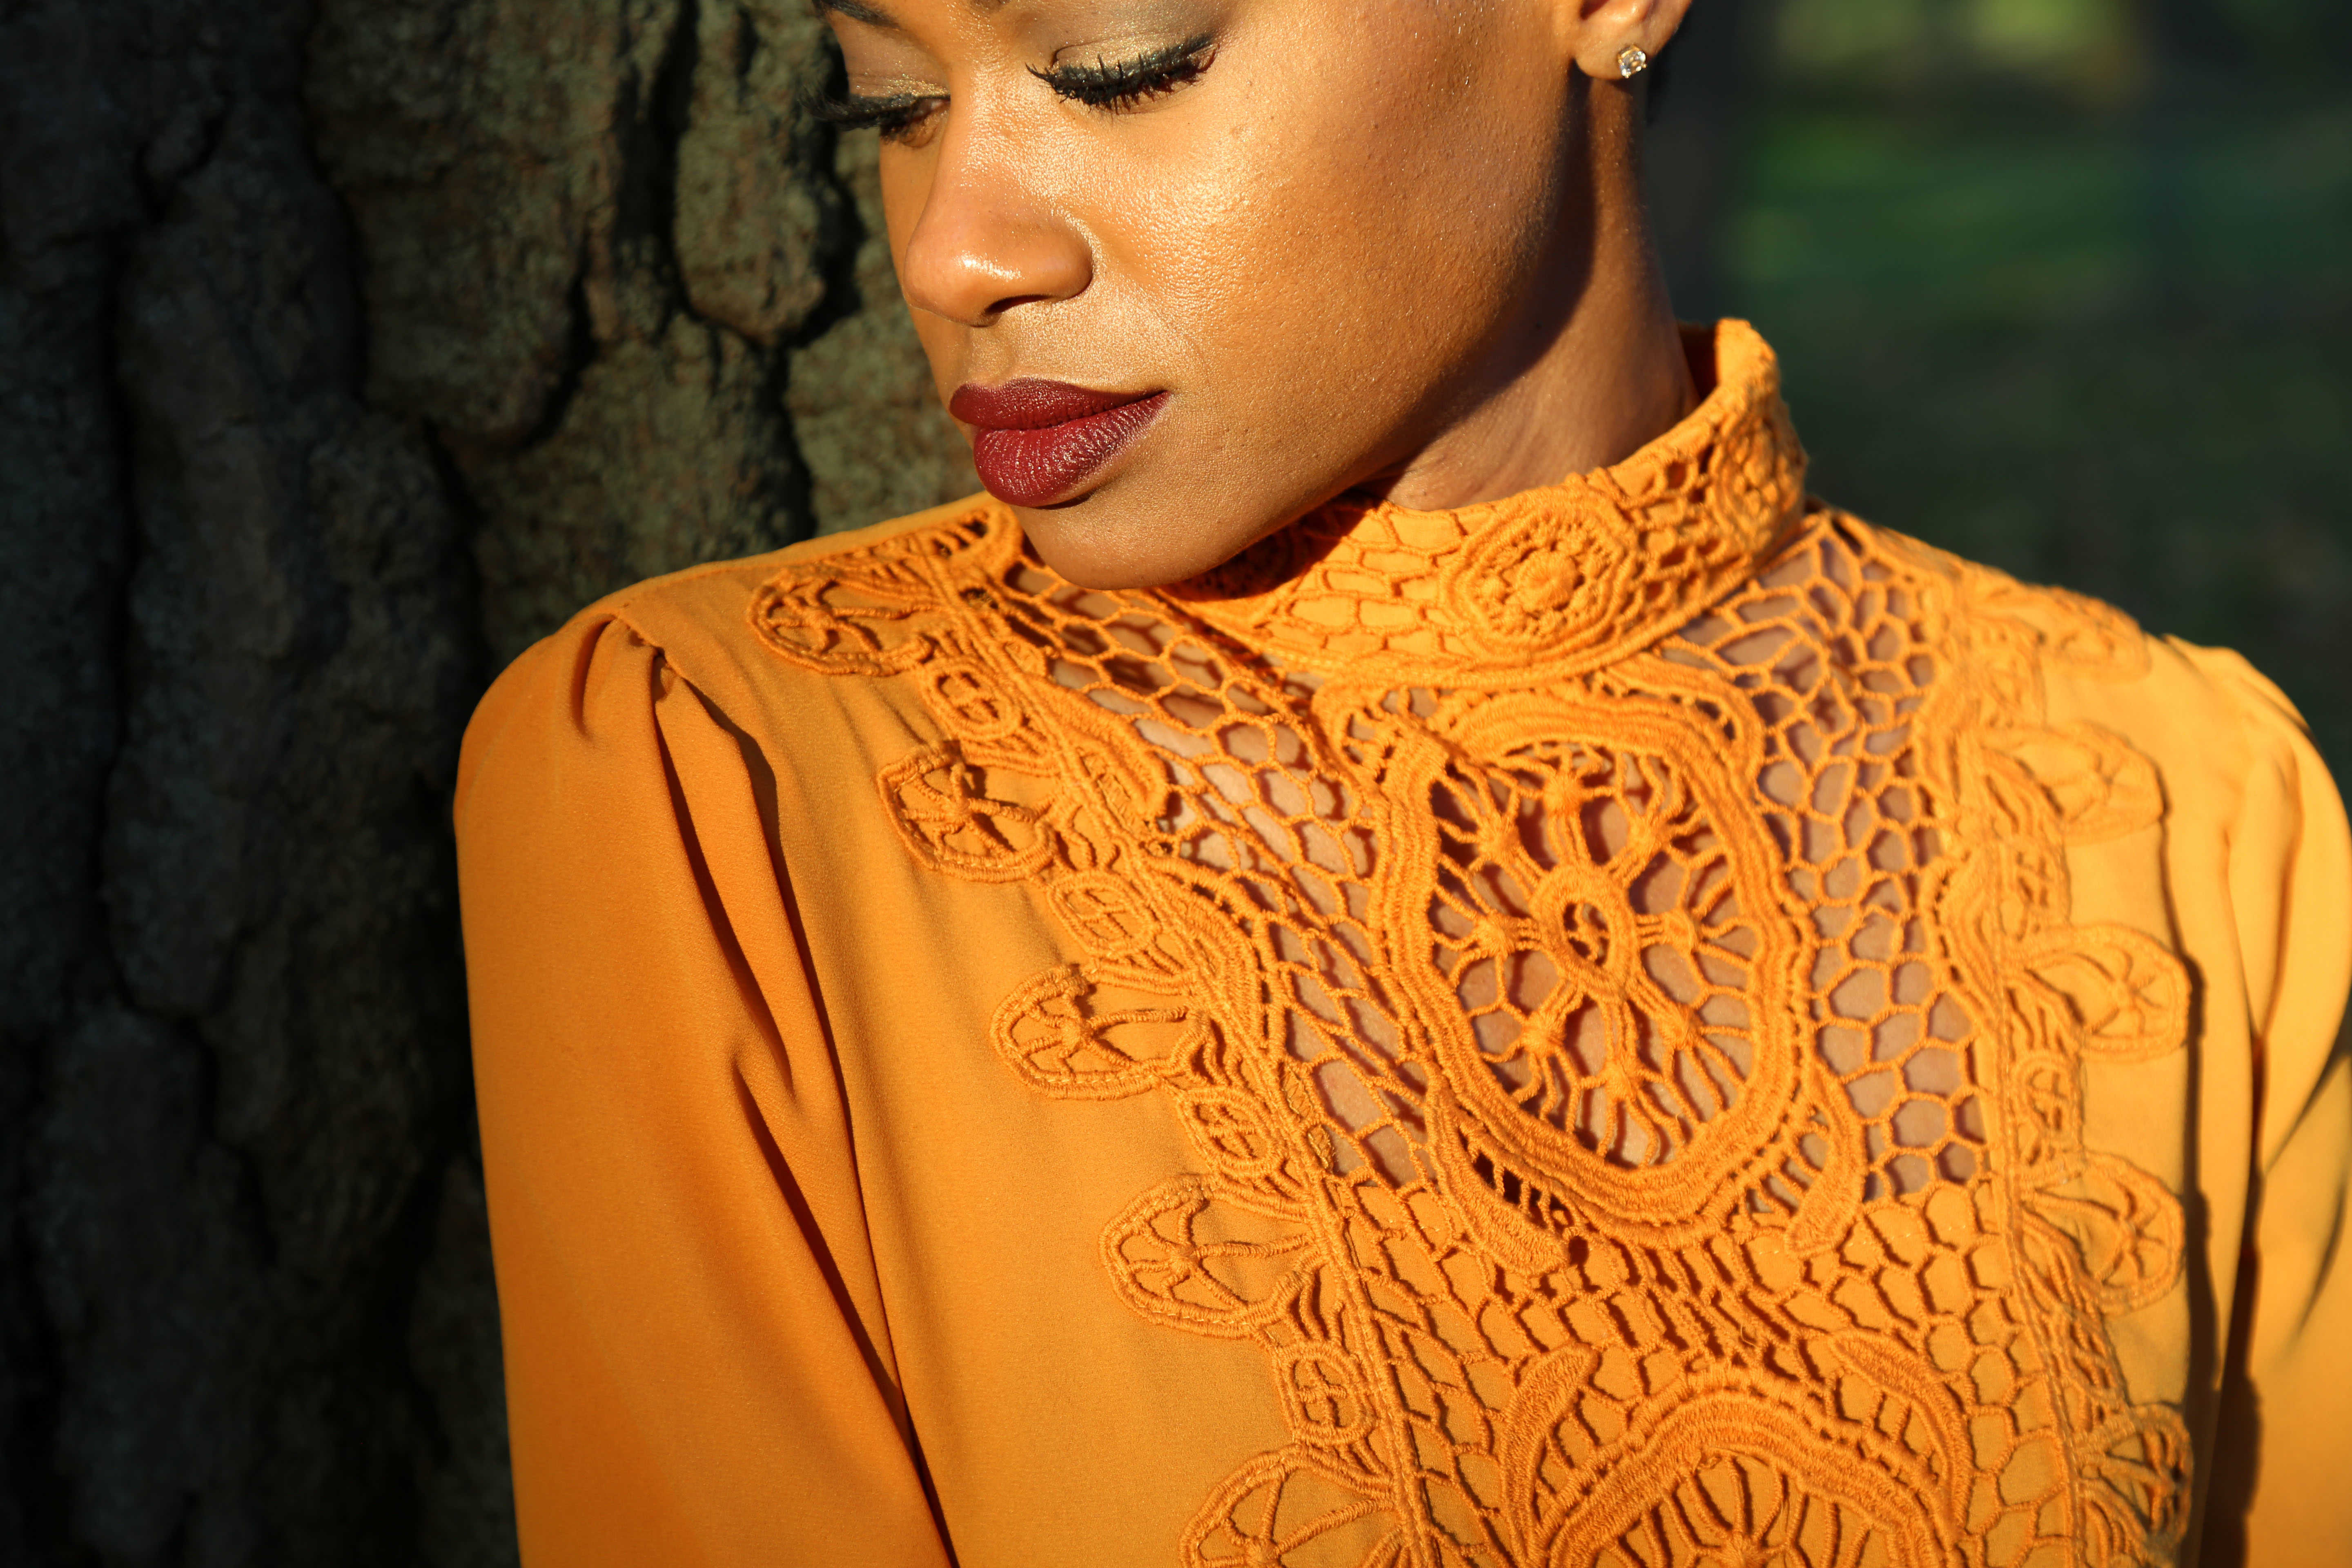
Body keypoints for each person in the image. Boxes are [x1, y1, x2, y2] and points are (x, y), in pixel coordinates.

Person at [451, 0, 2352, 1562]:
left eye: (1126, 66)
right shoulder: (720, 782)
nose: (960, 248)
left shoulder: (2188, 799)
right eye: (891, 104)